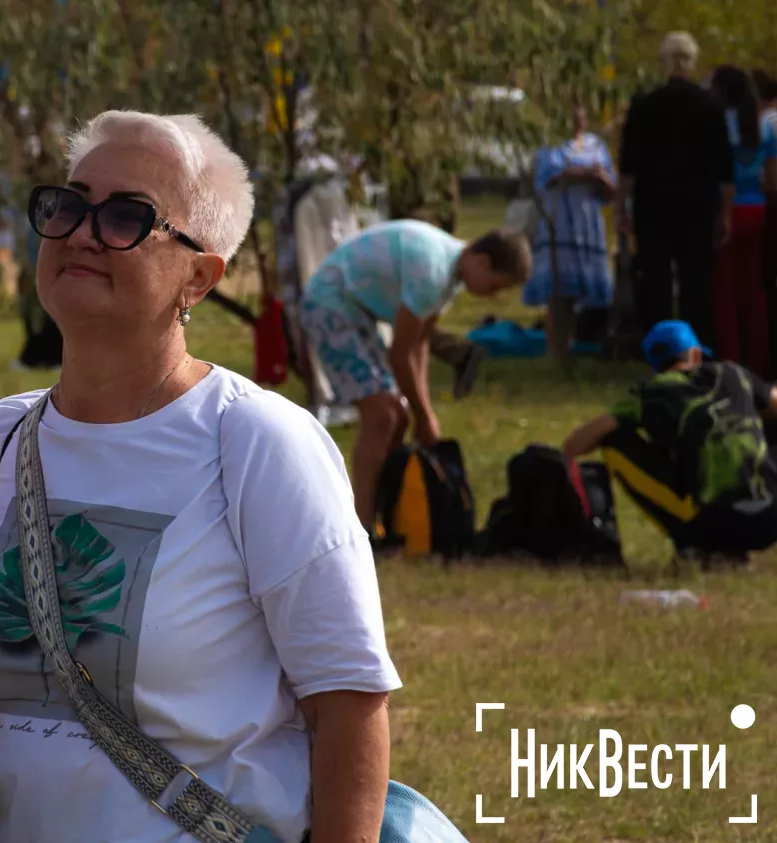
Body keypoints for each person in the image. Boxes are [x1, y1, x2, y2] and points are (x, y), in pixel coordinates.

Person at [0, 110, 400, 843]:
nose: (83, 231)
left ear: (200, 276)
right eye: (70, 205)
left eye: (126, 216)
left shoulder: (255, 443)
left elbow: (349, 705)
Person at [300, 219, 531, 527]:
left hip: (356, 311)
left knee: (399, 417)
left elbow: (419, 345)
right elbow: (399, 355)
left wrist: (422, 412)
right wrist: (426, 417)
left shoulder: (450, 275)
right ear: (481, 260)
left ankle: (390, 512)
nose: (492, 296)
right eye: (494, 286)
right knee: (382, 415)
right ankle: (360, 526)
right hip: (329, 304)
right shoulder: (433, 272)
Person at [563, 320, 777, 566]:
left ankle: (694, 545)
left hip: (718, 524)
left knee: (613, 444)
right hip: (770, 521)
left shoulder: (652, 392)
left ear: (651, 365)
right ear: (696, 354)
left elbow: (575, 446)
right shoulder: (732, 373)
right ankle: (727, 551)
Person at [615, 32, 734, 342]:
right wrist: (725, 214)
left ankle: (660, 346)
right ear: (693, 63)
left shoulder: (644, 105)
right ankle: (698, 347)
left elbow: (628, 166)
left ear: (663, 63)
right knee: (697, 281)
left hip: (653, 205)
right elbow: (725, 169)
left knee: (656, 281)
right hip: (698, 204)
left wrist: (620, 209)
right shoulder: (711, 106)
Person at [710, 66, 777, 375]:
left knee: (725, 292)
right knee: (754, 291)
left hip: (728, 210)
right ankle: (759, 360)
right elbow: (773, 178)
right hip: (758, 210)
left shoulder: (721, 124)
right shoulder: (763, 126)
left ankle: (730, 361)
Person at [525, 105, 616, 338]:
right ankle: (557, 345)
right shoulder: (552, 146)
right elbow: (550, 176)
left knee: (582, 291)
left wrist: (600, 178)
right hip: (561, 224)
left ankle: (576, 340)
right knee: (559, 292)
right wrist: (587, 174)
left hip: (588, 226)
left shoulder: (596, 146)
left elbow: (609, 187)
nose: (578, 123)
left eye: (582, 118)